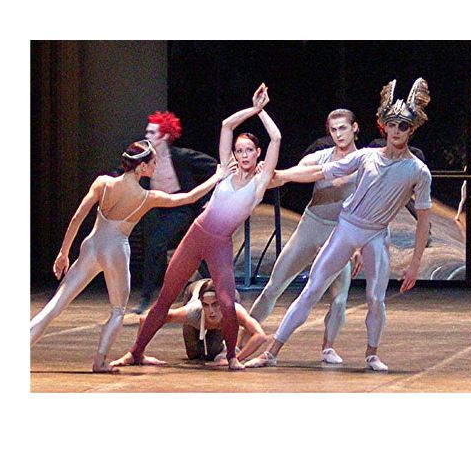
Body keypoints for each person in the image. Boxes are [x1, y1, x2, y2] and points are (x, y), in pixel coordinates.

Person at [245, 78, 433, 372]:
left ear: (413, 129)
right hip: (346, 226)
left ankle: (371, 353)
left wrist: (415, 262)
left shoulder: (418, 171)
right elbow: (321, 170)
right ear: (384, 126)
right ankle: (271, 351)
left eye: (404, 126)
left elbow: (423, 219)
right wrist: (282, 176)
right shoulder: (366, 157)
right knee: (312, 288)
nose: (397, 131)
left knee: (375, 298)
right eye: (392, 125)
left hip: (376, 234)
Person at [111, 83, 282, 371]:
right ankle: (136, 352)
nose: (242, 154)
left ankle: (231, 357)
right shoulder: (226, 168)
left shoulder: (260, 181)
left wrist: (262, 112)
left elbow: (276, 137)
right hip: (196, 234)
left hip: (220, 244)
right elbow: (227, 125)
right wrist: (251, 108)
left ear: (257, 153)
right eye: (239, 150)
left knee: (228, 304)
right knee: (165, 296)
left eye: (249, 150)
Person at [30, 139, 231, 373]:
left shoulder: (103, 183)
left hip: (92, 246)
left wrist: (63, 253)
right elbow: (188, 198)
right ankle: (100, 361)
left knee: (55, 305)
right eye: (153, 162)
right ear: (142, 167)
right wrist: (217, 177)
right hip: (115, 250)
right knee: (117, 310)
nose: (156, 166)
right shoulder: (146, 197)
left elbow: (77, 218)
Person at [240, 109, 362, 365]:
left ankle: (328, 347)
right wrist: (262, 175)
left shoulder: (365, 161)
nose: (339, 134)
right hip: (312, 226)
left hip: (340, 233)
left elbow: (365, 204)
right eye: (334, 129)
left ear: (355, 128)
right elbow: (289, 176)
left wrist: (357, 243)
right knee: (274, 286)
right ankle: (243, 339)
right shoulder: (319, 158)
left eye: (343, 128)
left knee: (339, 298)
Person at [135, 111, 219, 314]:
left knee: (172, 246)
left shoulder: (181, 156)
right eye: (147, 131)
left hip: (180, 208)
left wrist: (210, 199)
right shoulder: (144, 159)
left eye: (152, 132)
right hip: (156, 208)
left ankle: (219, 291)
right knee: (155, 248)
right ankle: (147, 297)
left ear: (164, 136)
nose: (147, 136)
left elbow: (216, 167)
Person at [155, 279, 269, 364]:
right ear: (202, 304)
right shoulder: (193, 311)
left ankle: (228, 346)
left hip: (228, 294)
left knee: (213, 352)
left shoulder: (233, 309)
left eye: (215, 305)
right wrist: (138, 352)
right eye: (206, 305)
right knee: (194, 354)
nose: (211, 311)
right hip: (195, 288)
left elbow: (260, 336)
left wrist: (235, 359)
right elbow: (149, 319)